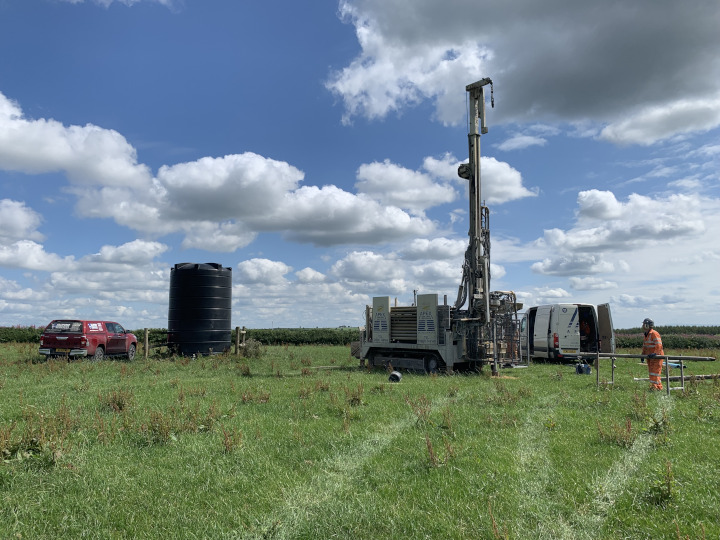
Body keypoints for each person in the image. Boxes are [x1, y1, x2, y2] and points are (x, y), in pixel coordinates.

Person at [641, 318, 664, 390]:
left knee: (655, 373)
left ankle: (657, 388)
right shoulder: (646, 335)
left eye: (644, 324)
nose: (642, 325)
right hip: (650, 357)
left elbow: (659, 345)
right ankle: (654, 387)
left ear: (647, 325)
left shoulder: (654, 333)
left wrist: (655, 353)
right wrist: (643, 354)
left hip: (656, 357)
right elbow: (645, 346)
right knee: (652, 373)